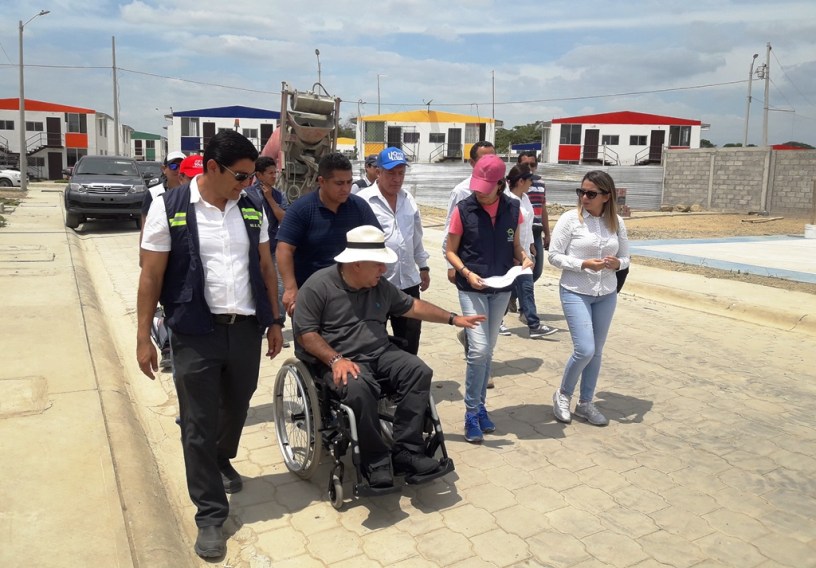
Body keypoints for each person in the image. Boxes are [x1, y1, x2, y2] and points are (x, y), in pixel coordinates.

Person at [136, 130, 284, 559]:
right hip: (194, 331)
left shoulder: (251, 205)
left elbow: (265, 265)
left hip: (245, 329)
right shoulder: (170, 207)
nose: (247, 183)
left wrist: (274, 320)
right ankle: (210, 515)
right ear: (212, 167)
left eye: (251, 176)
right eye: (240, 176)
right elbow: (151, 274)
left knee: (237, 405)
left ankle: (221, 458)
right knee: (198, 422)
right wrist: (143, 336)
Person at [294, 225, 484, 487]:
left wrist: (453, 318)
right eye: (378, 264)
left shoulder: (379, 286)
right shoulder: (318, 287)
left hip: (380, 352)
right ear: (357, 264)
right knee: (359, 388)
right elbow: (306, 334)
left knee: (418, 371)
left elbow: (413, 306)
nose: (384, 270)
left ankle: (407, 451)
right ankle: (375, 460)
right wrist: (335, 359)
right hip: (339, 360)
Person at [445, 154, 534, 443]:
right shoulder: (463, 210)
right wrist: (466, 273)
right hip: (472, 286)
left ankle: (481, 407)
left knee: (489, 350)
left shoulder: (513, 208)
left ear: (499, 184)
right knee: (479, 350)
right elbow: (450, 251)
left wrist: (525, 258)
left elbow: (516, 245)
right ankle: (471, 413)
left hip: (501, 287)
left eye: (485, 188)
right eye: (477, 186)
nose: (479, 193)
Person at [548, 170, 630, 427]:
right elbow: (553, 255)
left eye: (591, 193)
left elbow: (627, 258)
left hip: (606, 294)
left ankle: (585, 403)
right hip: (575, 291)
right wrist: (583, 264)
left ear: (606, 196)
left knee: (596, 352)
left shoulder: (616, 222)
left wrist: (617, 263)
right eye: (581, 192)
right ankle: (563, 395)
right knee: (585, 349)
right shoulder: (570, 219)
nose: (584, 197)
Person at [276, 152, 381, 317]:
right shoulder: (302, 210)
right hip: (312, 297)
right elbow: (284, 249)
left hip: (353, 296)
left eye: (349, 182)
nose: (346, 189)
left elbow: (376, 241)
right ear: (322, 181)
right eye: (339, 183)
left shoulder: (359, 207)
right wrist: (290, 288)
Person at [357, 147, 430, 355]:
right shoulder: (362, 201)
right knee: (372, 341)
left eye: (401, 173)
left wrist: (423, 266)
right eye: (391, 173)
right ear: (378, 172)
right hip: (375, 284)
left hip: (408, 282)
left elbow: (416, 237)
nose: (397, 179)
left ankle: (406, 374)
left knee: (409, 341)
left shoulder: (408, 199)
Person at [139, 150, 186, 370]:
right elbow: (145, 226)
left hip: (182, 259)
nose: (177, 170)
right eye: (173, 166)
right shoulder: (154, 194)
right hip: (160, 255)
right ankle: (167, 346)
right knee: (164, 301)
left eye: (181, 165)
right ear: (164, 169)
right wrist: (143, 256)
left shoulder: (193, 192)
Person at [504, 164, 557, 339]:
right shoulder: (506, 200)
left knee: (527, 287)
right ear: (521, 181)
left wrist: (531, 244)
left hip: (524, 251)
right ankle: (497, 321)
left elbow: (527, 224)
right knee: (504, 290)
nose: (531, 184)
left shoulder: (525, 198)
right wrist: (513, 253)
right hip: (509, 254)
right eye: (529, 181)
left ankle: (534, 325)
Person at [247, 156, 290, 347]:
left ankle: (276, 324)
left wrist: (270, 199)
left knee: (279, 288)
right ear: (258, 175)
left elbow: (284, 219)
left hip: (272, 249)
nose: (274, 176)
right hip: (251, 251)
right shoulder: (247, 195)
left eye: (275, 172)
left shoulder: (279, 195)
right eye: (270, 173)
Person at [517, 151, 551, 283]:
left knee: (536, 271)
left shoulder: (540, 183)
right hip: (520, 231)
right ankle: (515, 294)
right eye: (525, 164)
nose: (529, 167)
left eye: (532, 164)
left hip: (536, 231)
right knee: (520, 267)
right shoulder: (512, 184)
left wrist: (547, 234)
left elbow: (543, 209)